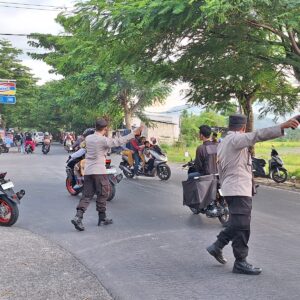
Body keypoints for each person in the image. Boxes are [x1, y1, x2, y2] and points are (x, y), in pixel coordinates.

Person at [206, 114, 299, 275]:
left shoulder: (225, 141)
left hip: (234, 188)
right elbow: (257, 135)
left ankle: (217, 246)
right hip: (237, 189)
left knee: (237, 222)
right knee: (242, 226)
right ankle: (240, 262)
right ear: (242, 128)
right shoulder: (235, 139)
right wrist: (281, 126)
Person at [71, 119, 143, 231]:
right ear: (105, 129)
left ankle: (78, 217)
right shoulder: (104, 140)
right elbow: (119, 141)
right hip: (99, 171)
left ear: (95, 127)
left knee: (87, 195)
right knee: (104, 193)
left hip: (88, 171)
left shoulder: (88, 138)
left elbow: (82, 145)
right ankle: (102, 218)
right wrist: (134, 133)